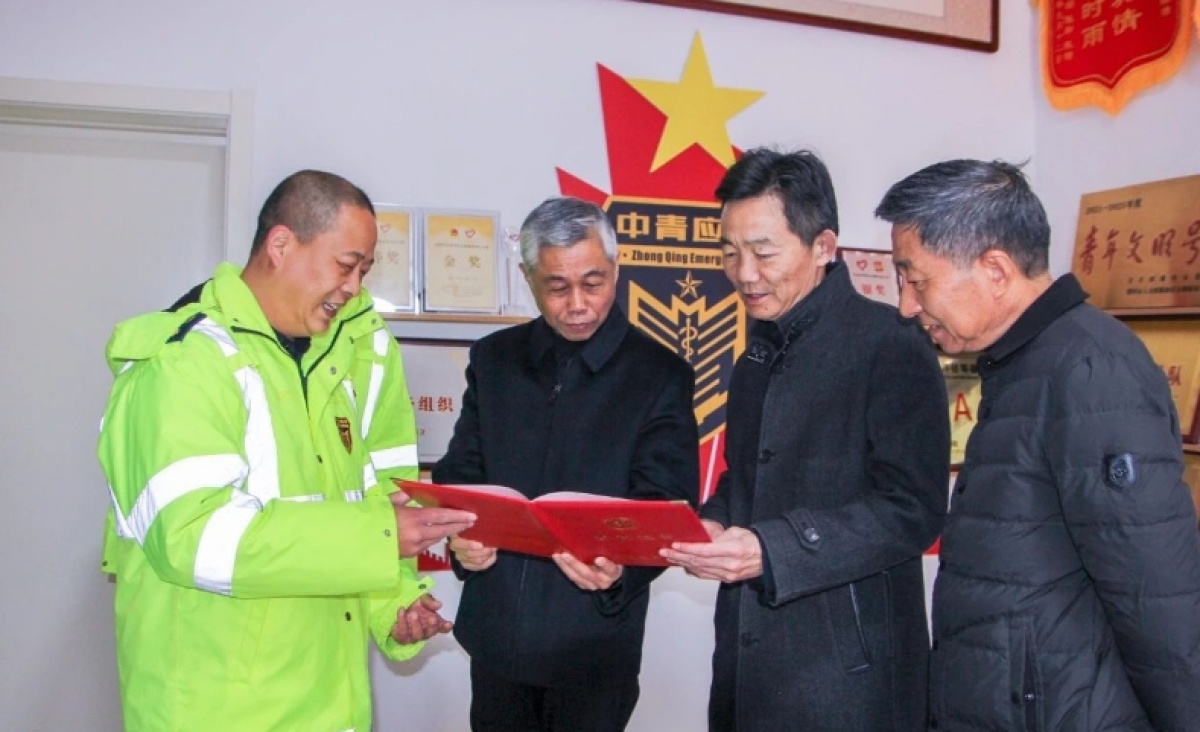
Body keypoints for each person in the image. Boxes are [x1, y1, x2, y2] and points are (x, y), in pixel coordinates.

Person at [97, 170, 476, 732]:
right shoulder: (184, 362)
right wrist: (378, 537)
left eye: (365, 271)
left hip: (330, 704)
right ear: (280, 245)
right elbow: (193, 537)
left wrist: (392, 605)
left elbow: (374, 502)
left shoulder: (355, 353)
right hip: (216, 711)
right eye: (346, 265)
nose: (354, 288)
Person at [875, 159, 1200, 731]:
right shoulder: (1026, 364)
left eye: (916, 279)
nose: (906, 304)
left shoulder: (1090, 370)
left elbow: (1153, 590)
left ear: (995, 269)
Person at [662, 148, 948, 731]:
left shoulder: (890, 344)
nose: (744, 273)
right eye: (729, 252)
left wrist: (774, 549)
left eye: (764, 252)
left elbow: (912, 510)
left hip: (848, 678)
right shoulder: (759, 352)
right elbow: (745, 479)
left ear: (823, 247)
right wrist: (713, 522)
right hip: (749, 659)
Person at [434, 196, 700, 732]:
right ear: (528, 279)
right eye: (557, 287)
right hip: (497, 641)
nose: (578, 304)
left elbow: (666, 503)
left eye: (593, 283)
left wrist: (622, 570)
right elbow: (461, 470)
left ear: (616, 270)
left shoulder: (659, 374)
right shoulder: (495, 359)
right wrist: (462, 538)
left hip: (593, 647)